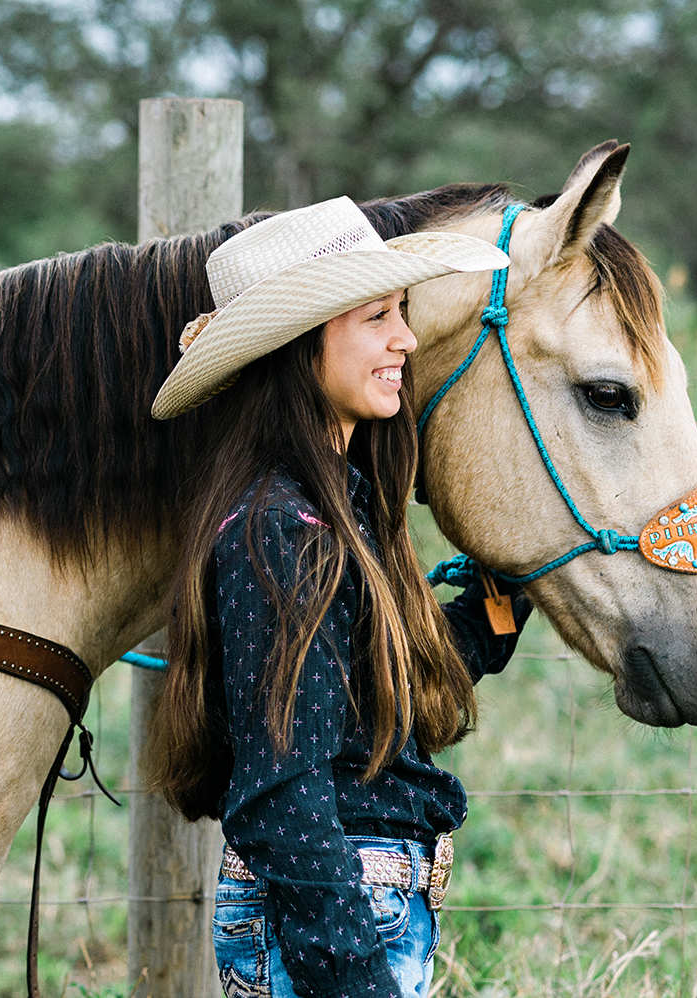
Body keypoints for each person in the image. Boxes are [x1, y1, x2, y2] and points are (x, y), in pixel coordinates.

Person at [146, 197, 534, 998]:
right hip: (335, 918)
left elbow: (358, 698)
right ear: (300, 347)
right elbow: (282, 791)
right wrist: (356, 975)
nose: (407, 340)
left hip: (359, 907)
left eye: (401, 313)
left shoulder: (338, 512)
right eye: (376, 318)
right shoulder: (279, 531)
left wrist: (488, 618)